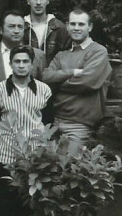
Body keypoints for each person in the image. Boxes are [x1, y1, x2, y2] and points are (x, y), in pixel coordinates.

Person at [0, 46, 52, 216]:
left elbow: (48, 122)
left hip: (33, 159)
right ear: (11, 64)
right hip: (6, 156)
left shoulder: (44, 91)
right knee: (5, 209)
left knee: (28, 209)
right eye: (17, 61)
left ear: (32, 64)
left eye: (26, 61)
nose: (21, 65)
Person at [42, 9, 111, 146]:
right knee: (46, 165)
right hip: (55, 121)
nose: (76, 28)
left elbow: (86, 82)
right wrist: (72, 72)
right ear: (67, 26)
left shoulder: (98, 51)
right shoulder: (61, 55)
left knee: (69, 166)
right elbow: (45, 77)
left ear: (89, 27)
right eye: (73, 24)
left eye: (81, 24)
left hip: (80, 125)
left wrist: (58, 83)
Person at [0, 11, 46, 85]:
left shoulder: (38, 55)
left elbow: (45, 86)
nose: (16, 31)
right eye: (11, 26)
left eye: (20, 27)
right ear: (0, 30)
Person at [24, 0, 71, 65]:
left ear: (48, 1)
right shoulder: (21, 27)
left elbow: (68, 58)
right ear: (28, 1)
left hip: (53, 75)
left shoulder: (60, 28)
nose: (38, 2)